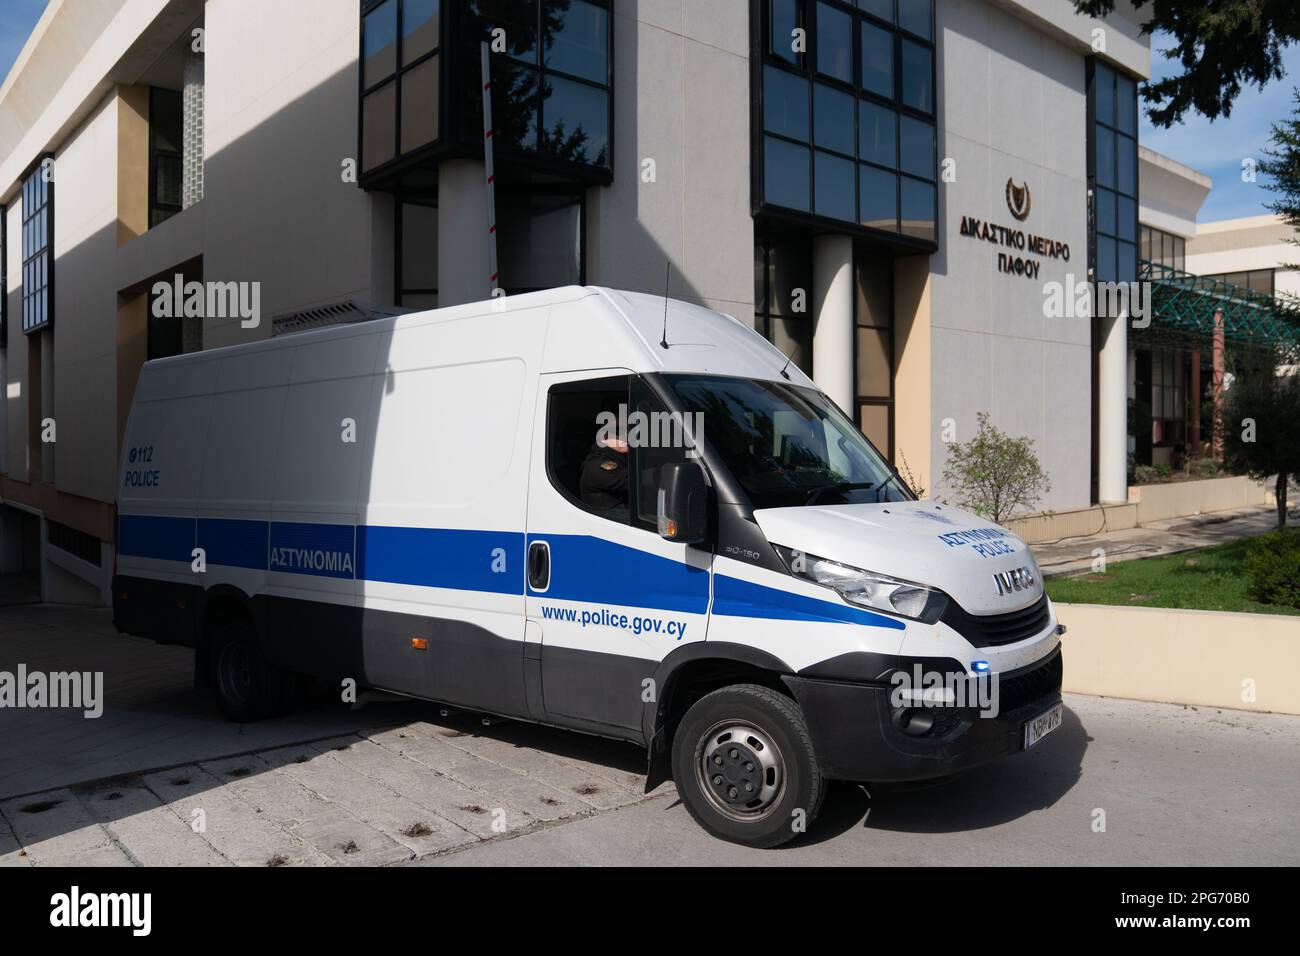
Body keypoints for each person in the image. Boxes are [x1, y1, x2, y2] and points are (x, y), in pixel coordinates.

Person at [579, 432, 630, 512]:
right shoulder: (598, 465)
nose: (626, 438)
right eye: (618, 435)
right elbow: (634, 481)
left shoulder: (617, 457)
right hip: (610, 517)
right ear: (604, 439)